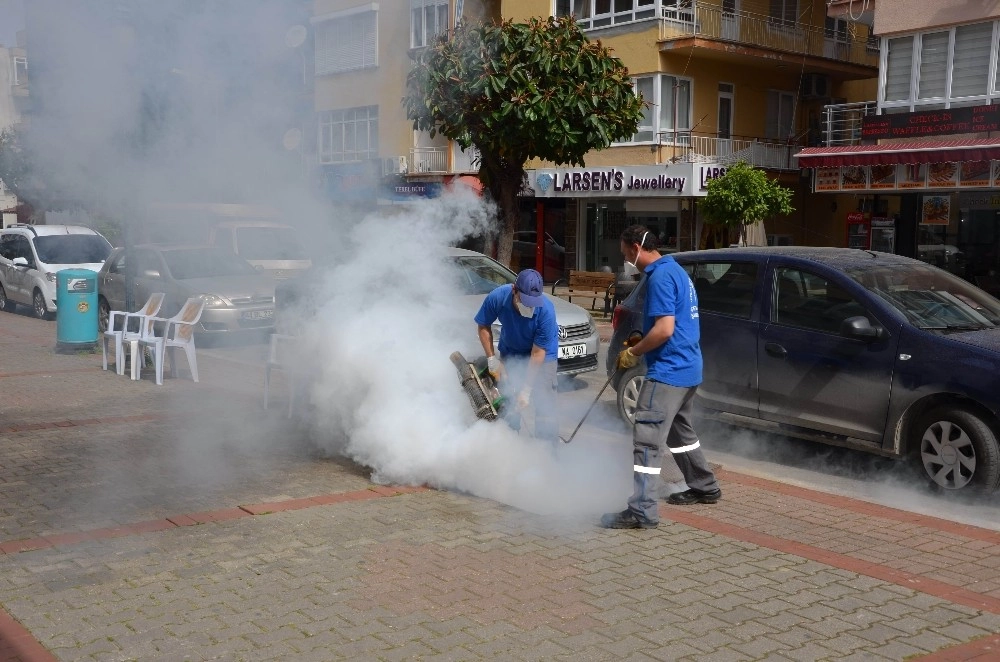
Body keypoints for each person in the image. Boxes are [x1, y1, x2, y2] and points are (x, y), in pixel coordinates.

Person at [600, 225, 721, 530]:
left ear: (635, 248)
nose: (625, 256)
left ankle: (641, 510)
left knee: (646, 441)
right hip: (688, 368)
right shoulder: (676, 271)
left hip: (668, 371)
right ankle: (705, 486)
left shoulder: (660, 277)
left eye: (625, 250)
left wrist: (635, 351)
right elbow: (671, 323)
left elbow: (665, 329)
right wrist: (643, 338)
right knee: (681, 434)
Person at [474, 268, 559, 442]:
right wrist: (492, 359)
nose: (529, 306)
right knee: (508, 398)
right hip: (511, 351)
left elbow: (537, 354)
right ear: (514, 290)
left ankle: (547, 448)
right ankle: (509, 442)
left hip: (542, 356)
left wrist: (526, 390)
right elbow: (483, 325)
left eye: (532, 302)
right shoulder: (498, 297)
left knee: (543, 398)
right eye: (525, 300)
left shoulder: (546, 312)